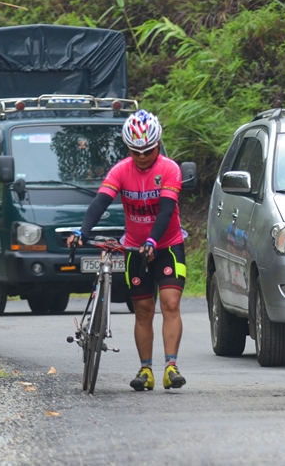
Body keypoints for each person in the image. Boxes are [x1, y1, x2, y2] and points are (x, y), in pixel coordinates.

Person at [67, 109, 187, 392]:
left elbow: (167, 211)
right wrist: (82, 232)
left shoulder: (170, 169)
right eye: (135, 151)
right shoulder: (121, 170)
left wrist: (153, 241)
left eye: (147, 150)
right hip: (134, 248)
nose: (142, 156)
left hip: (168, 245)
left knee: (170, 303)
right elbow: (100, 202)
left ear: (157, 144)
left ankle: (171, 366)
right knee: (143, 310)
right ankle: (146, 369)